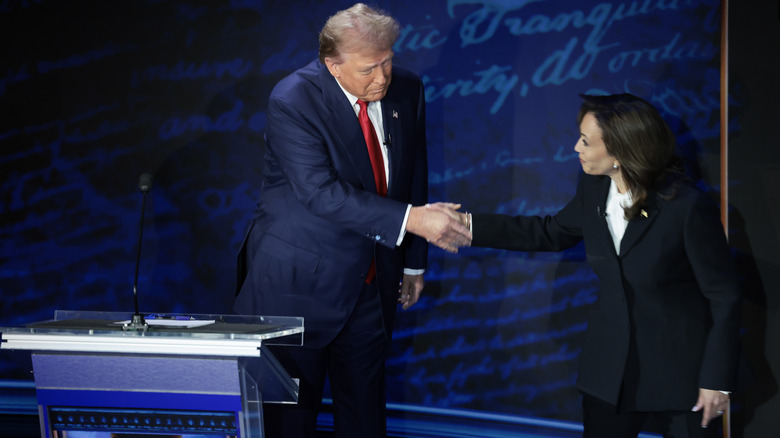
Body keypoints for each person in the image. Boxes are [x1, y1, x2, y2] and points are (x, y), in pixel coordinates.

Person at [233, 4, 471, 437]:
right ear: (332, 64)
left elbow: (414, 173)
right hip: (298, 287)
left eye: (388, 61)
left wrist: (412, 263)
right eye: (369, 69)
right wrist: (413, 222)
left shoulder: (406, 88)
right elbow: (319, 192)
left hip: (372, 280)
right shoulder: (294, 99)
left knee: (364, 418)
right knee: (290, 422)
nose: (382, 77)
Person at [453, 93, 740, 437]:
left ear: (621, 151)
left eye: (586, 141)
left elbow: (724, 295)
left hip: (682, 375)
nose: (576, 147)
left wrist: (717, 380)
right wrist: (466, 227)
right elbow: (549, 233)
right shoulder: (593, 187)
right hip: (610, 371)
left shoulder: (686, 206)